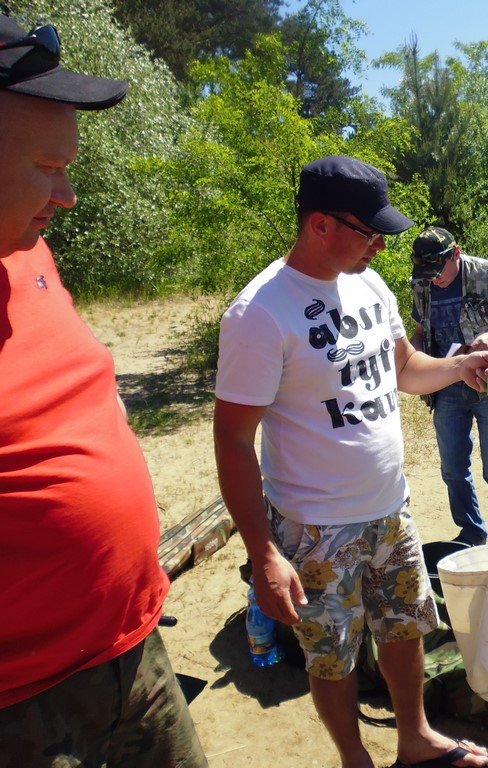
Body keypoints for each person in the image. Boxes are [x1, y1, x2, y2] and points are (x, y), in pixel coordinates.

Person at [214, 156, 488, 768]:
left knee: (404, 627)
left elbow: (404, 369)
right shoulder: (259, 313)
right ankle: (354, 758)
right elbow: (233, 441)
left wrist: (458, 366)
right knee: (332, 655)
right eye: (369, 232)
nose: (381, 246)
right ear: (320, 224)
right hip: (315, 527)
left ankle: (415, 739)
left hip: (390, 508)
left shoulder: (369, 284)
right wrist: (263, 553)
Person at [0, 12, 207, 768]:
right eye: (47, 166)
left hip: (134, 653)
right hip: (26, 707)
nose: (68, 194)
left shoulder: (27, 250)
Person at [409, 227, 488, 545]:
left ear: (456, 254)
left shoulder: (484, 273)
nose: (435, 280)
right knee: (452, 468)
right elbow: (420, 332)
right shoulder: (422, 282)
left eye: (439, 271)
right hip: (447, 384)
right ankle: (471, 533)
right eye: (428, 274)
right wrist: (415, 354)